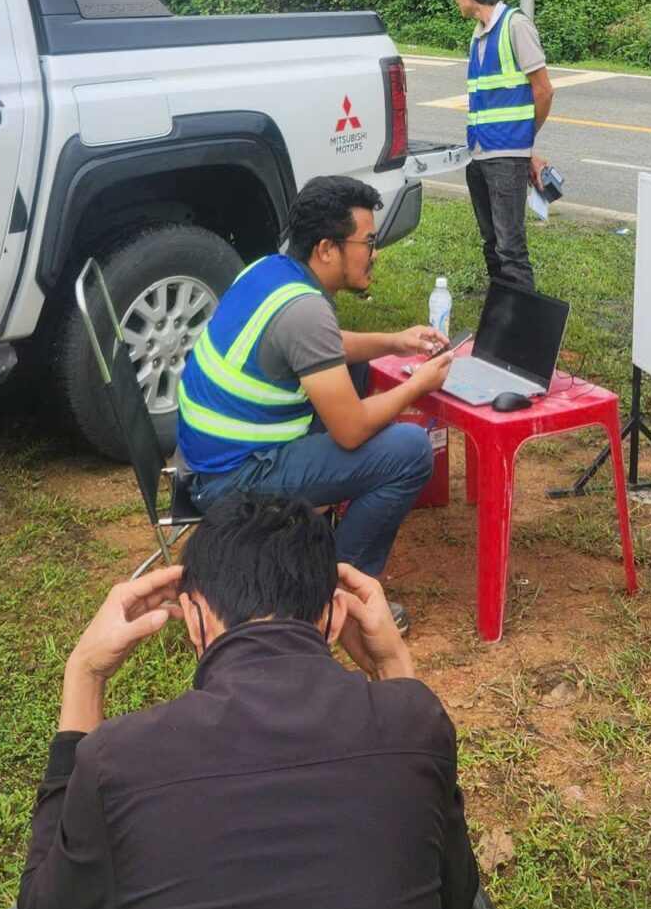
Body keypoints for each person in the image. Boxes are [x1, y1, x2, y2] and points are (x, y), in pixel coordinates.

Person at [0, 493, 506, 909]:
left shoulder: (117, 759)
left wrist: (85, 675)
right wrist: (394, 671)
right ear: (334, 615)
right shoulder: (415, 721)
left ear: (195, 619)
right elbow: (453, 903)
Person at [176, 174, 452, 626]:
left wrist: (395, 341)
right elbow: (352, 431)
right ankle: (334, 591)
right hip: (230, 481)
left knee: (356, 368)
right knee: (410, 451)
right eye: (368, 242)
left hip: (206, 461)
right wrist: (417, 385)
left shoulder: (269, 270)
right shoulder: (306, 311)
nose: (375, 254)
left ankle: (317, 535)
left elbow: (322, 347)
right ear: (327, 249)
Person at [449, 0, 554, 292]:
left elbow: (544, 91)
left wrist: (523, 144)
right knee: (492, 243)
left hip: (505, 159)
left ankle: (523, 317)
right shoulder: (479, 33)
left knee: (511, 249)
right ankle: (501, 310)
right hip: (479, 155)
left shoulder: (515, 26)